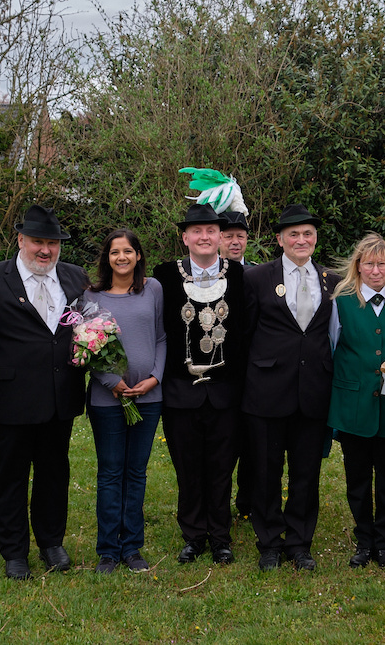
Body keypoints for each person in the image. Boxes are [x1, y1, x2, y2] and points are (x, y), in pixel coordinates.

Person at [0, 204, 90, 580]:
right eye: (37, 241)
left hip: (60, 397)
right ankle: (14, 552)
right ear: (20, 240)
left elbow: (84, 328)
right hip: (10, 399)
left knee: (55, 473)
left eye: (52, 243)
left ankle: (51, 542)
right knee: (11, 477)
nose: (45, 250)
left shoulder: (75, 277)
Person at [242, 204, 340, 571]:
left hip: (313, 389)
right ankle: (268, 541)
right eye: (294, 234)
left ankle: (300, 541)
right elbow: (245, 336)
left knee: (305, 473)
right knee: (265, 472)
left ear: (315, 239)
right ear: (280, 239)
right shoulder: (256, 278)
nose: (302, 240)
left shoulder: (332, 280)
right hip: (266, 390)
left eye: (308, 234)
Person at [152, 204, 246, 565]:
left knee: (222, 467)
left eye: (211, 231)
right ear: (185, 237)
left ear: (221, 236)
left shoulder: (239, 276)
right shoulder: (162, 276)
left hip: (226, 393)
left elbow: (247, 334)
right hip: (180, 393)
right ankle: (193, 535)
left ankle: (220, 536)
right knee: (188, 467)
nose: (204, 237)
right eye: (197, 231)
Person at [327, 233, 385, 569]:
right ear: (358, 267)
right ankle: (364, 540)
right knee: (358, 477)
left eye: (382, 263)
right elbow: (332, 347)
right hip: (355, 404)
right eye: (369, 264)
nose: (376, 270)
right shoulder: (342, 301)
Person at [83, 229, 166, 574]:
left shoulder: (153, 289)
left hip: (149, 398)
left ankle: (132, 547)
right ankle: (107, 550)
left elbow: (161, 337)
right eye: (115, 251)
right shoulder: (91, 295)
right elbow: (87, 345)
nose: (122, 257)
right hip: (107, 400)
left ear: (138, 256)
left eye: (128, 251)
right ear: (107, 257)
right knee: (110, 473)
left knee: (136, 472)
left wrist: (155, 378)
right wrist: (112, 382)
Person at [217, 209, 257, 517]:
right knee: (223, 441)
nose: (234, 242)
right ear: (217, 239)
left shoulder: (257, 274)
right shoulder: (208, 275)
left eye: (239, 236)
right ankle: (218, 499)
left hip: (255, 370)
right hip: (219, 372)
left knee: (253, 441)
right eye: (228, 236)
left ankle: (249, 501)